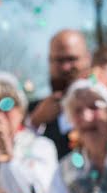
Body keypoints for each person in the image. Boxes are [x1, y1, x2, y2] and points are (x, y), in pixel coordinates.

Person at [29, 30, 92, 158]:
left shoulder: (106, 109)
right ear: (49, 62)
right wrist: (34, 123)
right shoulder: (31, 112)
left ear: (87, 59)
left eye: (72, 59)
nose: (65, 67)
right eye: (58, 60)